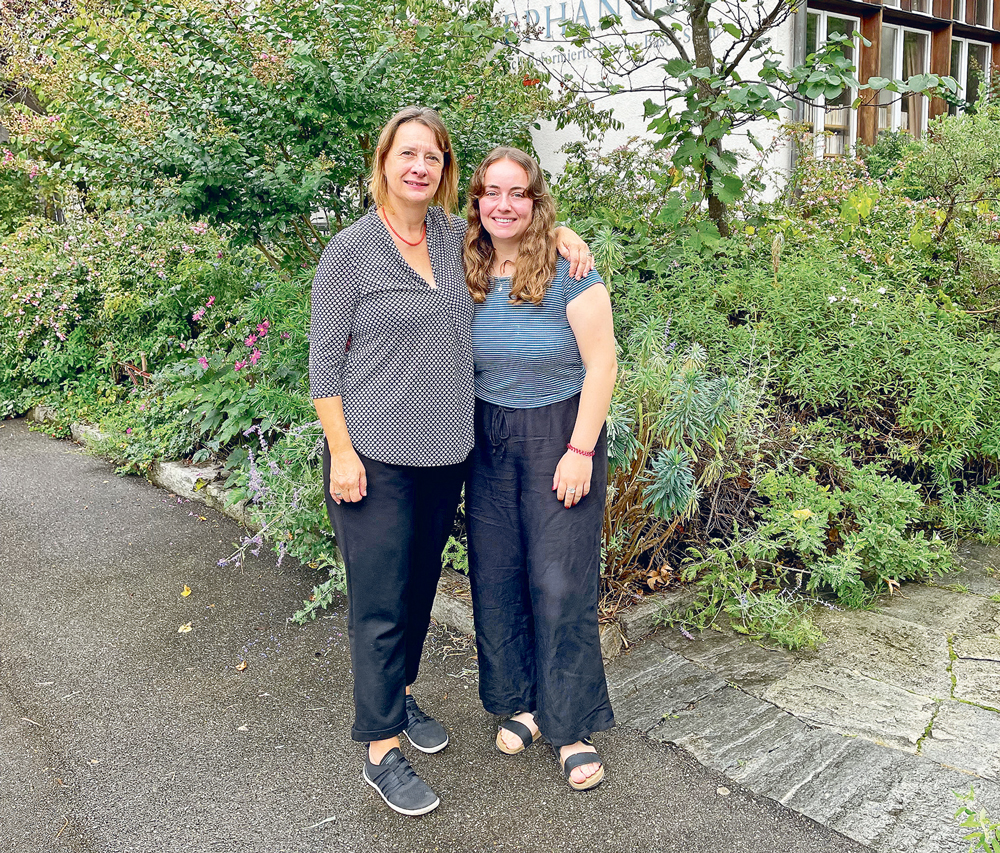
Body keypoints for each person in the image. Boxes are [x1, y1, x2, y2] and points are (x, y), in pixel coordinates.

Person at [309, 108, 593, 816]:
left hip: (442, 457)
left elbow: (514, 230)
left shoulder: (447, 236)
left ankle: (399, 698)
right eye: (408, 153)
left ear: (445, 171)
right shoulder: (349, 251)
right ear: (384, 161)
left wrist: (562, 233)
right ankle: (380, 749)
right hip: (371, 456)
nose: (419, 167)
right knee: (377, 603)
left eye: (432, 157)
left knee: (414, 591)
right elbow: (322, 367)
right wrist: (341, 450)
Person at [463, 147, 617, 792]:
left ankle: (570, 725)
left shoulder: (567, 267)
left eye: (518, 194)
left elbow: (603, 362)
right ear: (475, 201)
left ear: (536, 201)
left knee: (560, 583)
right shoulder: (459, 262)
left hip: (559, 433)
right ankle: (521, 703)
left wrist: (580, 449)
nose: (504, 204)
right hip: (485, 436)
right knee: (498, 578)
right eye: (492, 193)